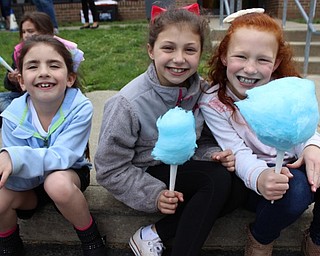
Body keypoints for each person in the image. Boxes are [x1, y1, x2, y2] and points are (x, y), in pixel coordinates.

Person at [95, 4, 248, 256]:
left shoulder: (202, 91)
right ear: (151, 51)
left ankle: (154, 234)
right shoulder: (127, 103)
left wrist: (213, 154)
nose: (179, 59)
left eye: (190, 50)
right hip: (143, 172)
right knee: (215, 180)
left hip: (184, 167)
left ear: (200, 54)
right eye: (168, 48)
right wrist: (153, 194)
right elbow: (110, 168)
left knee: (238, 186)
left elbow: (206, 139)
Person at [198, 8, 320, 256]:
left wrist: (312, 147)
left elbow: (304, 130)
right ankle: (260, 239)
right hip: (251, 182)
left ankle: (316, 240)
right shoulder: (213, 102)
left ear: (275, 63)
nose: (250, 69)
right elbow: (238, 151)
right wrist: (260, 178)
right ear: (223, 56)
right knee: (295, 190)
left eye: (262, 60)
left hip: (291, 166)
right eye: (241, 57)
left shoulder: (285, 89)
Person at [0, 35, 107, 256]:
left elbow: (64, 156)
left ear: (69, 78)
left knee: (56, 183)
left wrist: (16, 158)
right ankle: (9, 244)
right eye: (33, 66)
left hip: (69, 175)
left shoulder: (80, 108)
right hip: (29, 185)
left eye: (54, 65)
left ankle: (91, 238)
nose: (43, 72)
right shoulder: (11, 116)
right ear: (21, 81)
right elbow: (17, 178)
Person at [0, 11, 84, 127]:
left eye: (30, 31)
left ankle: (20, 120)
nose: (26, 35)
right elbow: (10, 87)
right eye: (23, 32)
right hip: (26, 96)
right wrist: (11, 80)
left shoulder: (60, 51)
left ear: (46, 32)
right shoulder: (20, 53)